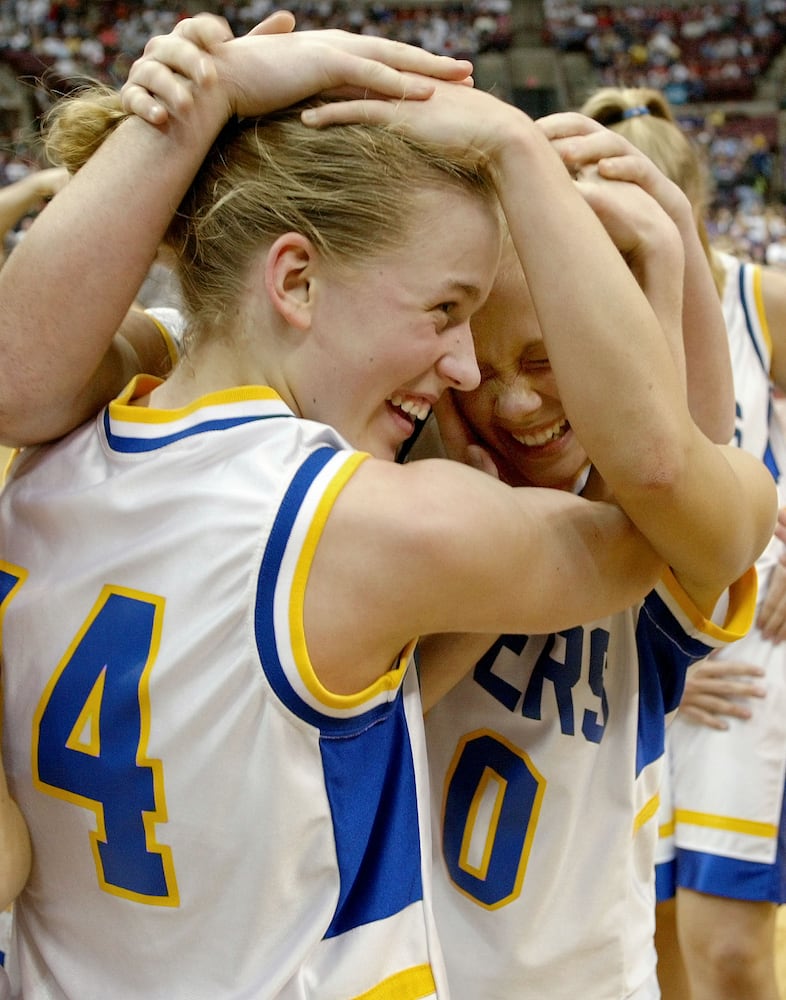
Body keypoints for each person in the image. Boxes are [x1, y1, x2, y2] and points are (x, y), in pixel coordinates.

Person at [0, 14, 732, 998]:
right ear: (296, 278)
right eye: (445, 310)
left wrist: (191, 108)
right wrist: (616, 219)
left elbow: (19, 369)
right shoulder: (372, 520)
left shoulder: (61, 447)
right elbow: (672, 500)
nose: (468, 366)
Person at [387, 101, 766, 999]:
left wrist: (671, 255)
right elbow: (380, 724)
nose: (515, 404)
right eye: (482, 368)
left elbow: (688, 465)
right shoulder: (392, 512)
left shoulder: (642, 530)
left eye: (549, 358)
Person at [580, 84, 786, 1000]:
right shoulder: (562, 309)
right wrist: (656, 659)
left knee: (729, 950)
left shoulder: (757, 298)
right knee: (647, 938)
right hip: (624, 650)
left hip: (748, 639)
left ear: (688, 207)